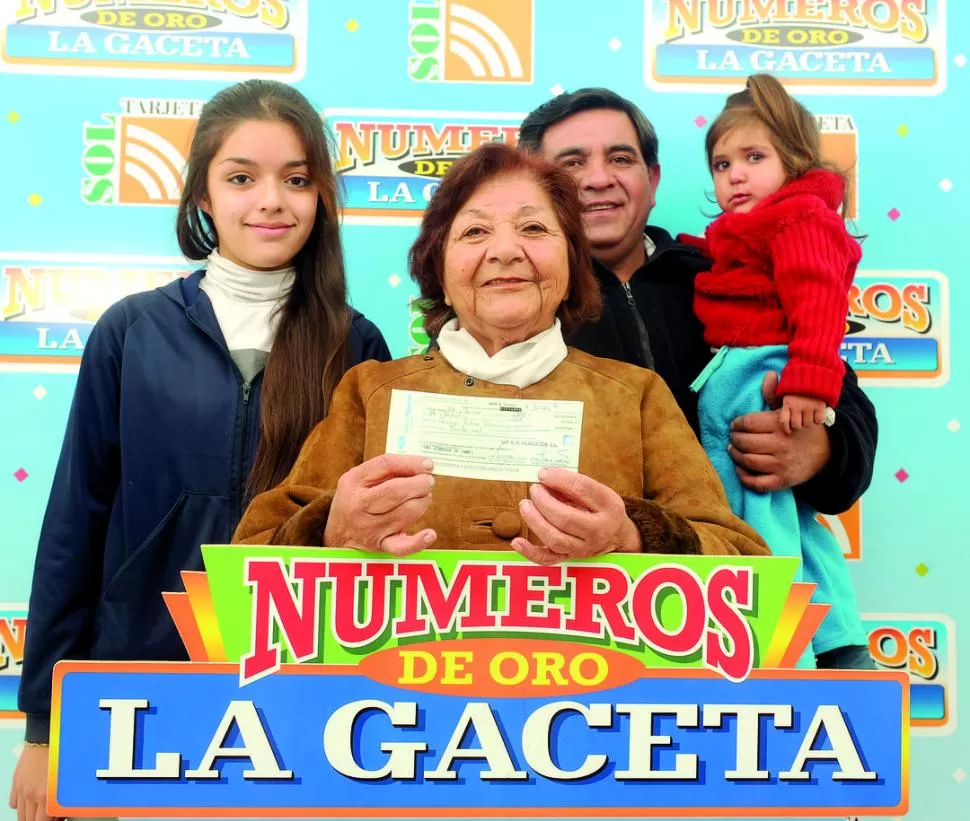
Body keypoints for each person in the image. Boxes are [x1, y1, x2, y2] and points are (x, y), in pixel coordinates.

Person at [10, 79, 390, 821]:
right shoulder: (130, 331)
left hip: (298, 695)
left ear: (322, 198)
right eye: (242, 178)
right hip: (133, 686)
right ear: (203, 198)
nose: (272, 201)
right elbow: (72, 529)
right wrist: (43, 727)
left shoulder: (358, 344)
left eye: (298, 179)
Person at [232, 142, 768, 567]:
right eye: (475, 231)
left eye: (534, 228)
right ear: (438, 267)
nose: (506, 250)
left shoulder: (637, 397)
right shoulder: (371, 392)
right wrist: (332, 530)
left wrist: (632, 536)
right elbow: (249, 558)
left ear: (572, 264)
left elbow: (742, 563)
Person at [518, 88, 877, 667]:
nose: (598, 178)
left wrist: (819, 448)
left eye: (621, 157)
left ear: (653, 179)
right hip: (585, 621)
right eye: (571, 162)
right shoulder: (513, 300)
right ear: (535, 183)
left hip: (749, 616)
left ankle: (815, 637)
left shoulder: (732, 275)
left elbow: (845, 405)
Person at [676, 73, 870, 667]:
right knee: (793, 516)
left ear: (793, 158)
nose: (734, 174)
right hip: (753, 364)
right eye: (721, 163)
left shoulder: (800, 218)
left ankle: (780, 652)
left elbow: (818, 300)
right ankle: (838, 638)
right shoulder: (752, 230)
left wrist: (812, 385)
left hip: (761, 370)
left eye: (753, 157)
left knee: (752, 517)